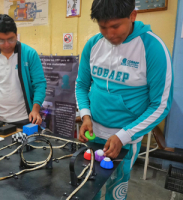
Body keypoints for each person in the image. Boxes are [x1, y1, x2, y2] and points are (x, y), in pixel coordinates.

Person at [75, 0, 173, 199]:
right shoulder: (93, 45)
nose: (110, 34)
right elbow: (81, 85)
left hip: (127, 138)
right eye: (103, 27)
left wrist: (123, 136)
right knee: (87, 186)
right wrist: (85, 115)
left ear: (133, 16)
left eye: (115, 26)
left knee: (116, 190)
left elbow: (160, 105)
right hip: (95, 132)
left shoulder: (152, 48)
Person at [0, 14, 46, 128]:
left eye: (11, 39)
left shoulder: (30, 54)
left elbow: (40, 84)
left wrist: (35, 109)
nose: (7, 44)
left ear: (16, 34)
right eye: (1, 40)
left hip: (25, 119)